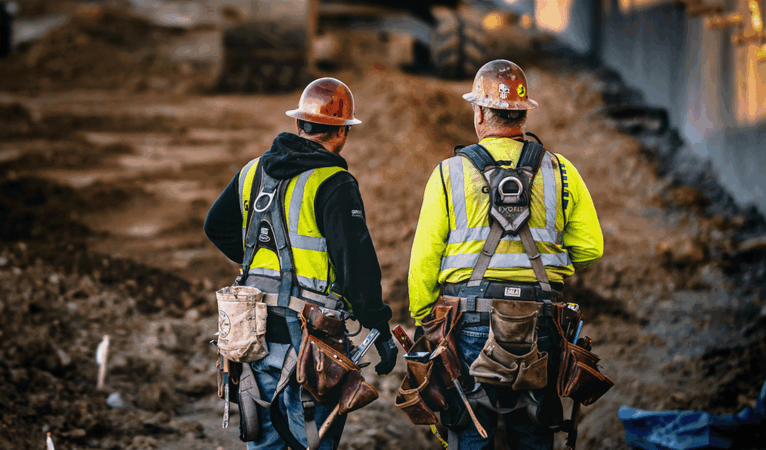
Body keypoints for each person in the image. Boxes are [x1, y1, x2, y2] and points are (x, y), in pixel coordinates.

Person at [407, 59, 604, 450]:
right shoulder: (561, 172)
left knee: (469, 430)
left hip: (469, 323)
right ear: (521, 113)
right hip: (540, 322)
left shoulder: (449, 173)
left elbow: (424, 261)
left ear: (480, 113)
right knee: (534, 431)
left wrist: (423, 321)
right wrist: (545, 266)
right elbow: (590, 247)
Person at [205, 77, 397, 450]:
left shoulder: (253, 171)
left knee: (264, 442)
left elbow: (216, 225)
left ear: (298, 125)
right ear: (341, 133)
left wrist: (260, 265)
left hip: (252, 334)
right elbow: (356, 267)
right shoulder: (335, 183)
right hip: (312, 345)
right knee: (311, 439)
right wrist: (380, 327)